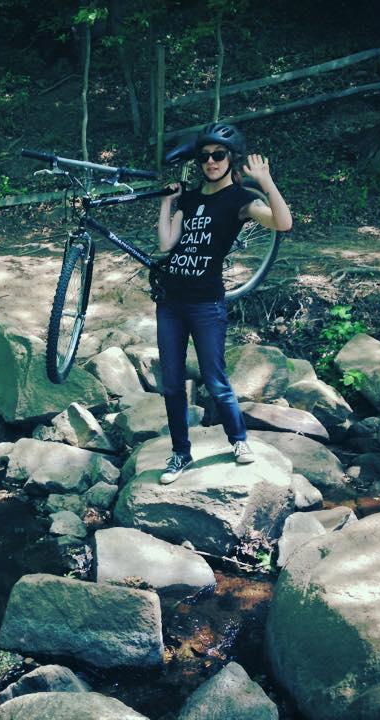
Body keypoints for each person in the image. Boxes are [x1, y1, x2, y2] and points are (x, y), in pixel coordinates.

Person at [155, 122, 292, 484]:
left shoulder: (241, 200)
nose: (211, 162)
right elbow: (167, 244)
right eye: (204, 157)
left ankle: (239, 440)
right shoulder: (191, 198)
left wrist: (266, 182)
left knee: (215, 380)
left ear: (231, 159)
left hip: (205, 304)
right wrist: (168, 203)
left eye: (218, 156)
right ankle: (180, 454)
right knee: (171, 384)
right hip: (170, 301)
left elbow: (283, 222)